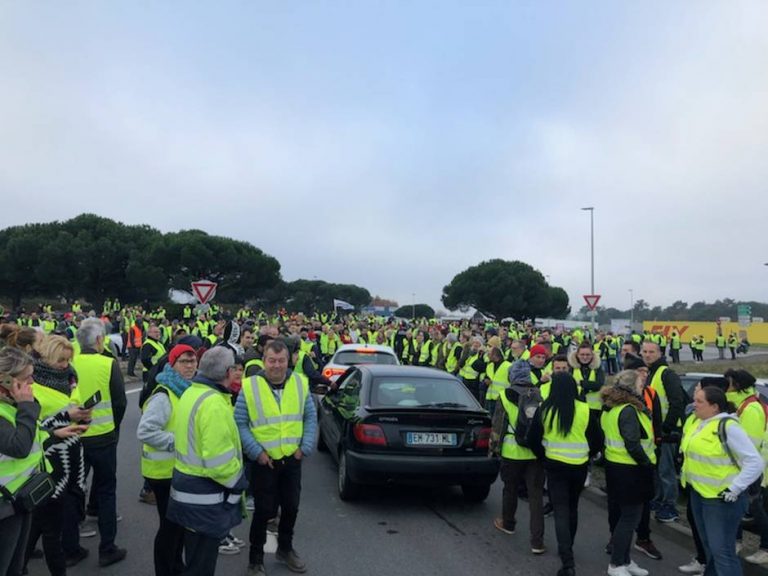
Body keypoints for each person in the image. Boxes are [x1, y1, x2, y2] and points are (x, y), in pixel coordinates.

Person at [236, 339, 317, 576]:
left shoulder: (301, 383)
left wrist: (305, 448)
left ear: (289, 361)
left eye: (281, 361)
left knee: (291, 507)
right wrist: (256, 452)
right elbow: (240, 423)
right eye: (272, 360)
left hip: (293, 458)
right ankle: (255, 558)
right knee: (263, 510)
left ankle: (285, 548)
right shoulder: (249, 386)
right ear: (264, 361)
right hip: (264, 460)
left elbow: (310, 417)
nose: (277, 366)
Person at [166, 347, 247, 576]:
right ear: (229, 371)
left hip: (187, 491)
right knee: (201, 566)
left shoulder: (192, 392)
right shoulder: (214, 404)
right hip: (205, 499)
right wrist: (240, 481)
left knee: (193, 560)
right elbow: (219, 464)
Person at [25, 336, 90, 575]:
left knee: (41, 523)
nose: (65, 365)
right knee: (51, 525)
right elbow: (29, 428)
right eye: (60, 360)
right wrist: (63, 422)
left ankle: (18, 564)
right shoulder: (30, 385)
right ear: (46, 356)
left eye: (68, 359)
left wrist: (84, 416)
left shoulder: (71, 377)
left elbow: (75, 407)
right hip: (48, 460)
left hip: (73, 452)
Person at [681, 386, 763, 575]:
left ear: (715, 407)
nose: (695, 404)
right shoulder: (698, 422)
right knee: (710, 546)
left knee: (722, 551)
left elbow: (754, 461)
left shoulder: (727, 427)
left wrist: (734, 489)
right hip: (699, 494)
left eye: (700, 401)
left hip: (720, 500)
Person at [70, 318, 127, 566]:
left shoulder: (69, 362)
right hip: (103, 437)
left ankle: (71, 547)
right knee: (106, 491)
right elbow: (119, 402)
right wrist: (114, 427)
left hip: (74, 435)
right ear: (99, 340)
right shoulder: (108, 363)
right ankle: (107, 548)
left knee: (74, 490)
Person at [137, 344, 197, 576]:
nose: (190, 366)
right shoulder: (164, 394)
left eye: (192, 361)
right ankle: (165, 570)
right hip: (162, 472)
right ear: (172, 364)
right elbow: (145, 431)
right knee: (170, 527)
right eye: (184, 361)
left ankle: (176, 566)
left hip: (177, 469)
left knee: (178, 526)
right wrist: (179, 440)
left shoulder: (185, 389)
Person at [528, 372, 592, 576]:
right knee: (572, 508)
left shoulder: (544, 410)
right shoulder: (584, 409)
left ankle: (567, 562)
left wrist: (544, 457)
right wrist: (588, 455)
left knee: (561, 511)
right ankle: (568, 546)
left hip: (555, 467)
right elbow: (597, 438)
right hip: (579, 466)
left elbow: (533, 439)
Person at [600, 369, 654, 576]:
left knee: (628, 516)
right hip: (630, 469)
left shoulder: (612, 407)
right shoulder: (629, 410)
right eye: (641, 384)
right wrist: (646, 462)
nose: (643, 387)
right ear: (633, 387)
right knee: (630, 518)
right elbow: (632, 443)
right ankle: (616, 564)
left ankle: (625, 559)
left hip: (617, 467)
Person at [490, 360, 545, 555]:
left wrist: (493, 448)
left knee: (510, 489)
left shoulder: (505, 395)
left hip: (512, 451)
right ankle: (537, 542)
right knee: (536, 496)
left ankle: (508, 523)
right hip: (534, 452)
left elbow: (498, 425)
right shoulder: (539, 394)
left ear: (512, 376)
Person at [724, 369, 768, 565]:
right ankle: (736, 541)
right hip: (746, 470)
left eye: (729, 384)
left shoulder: (751, 409)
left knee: (756, 511)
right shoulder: (744, 405)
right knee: (742, 509)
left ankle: (765, 548)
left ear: (738, 386)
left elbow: (749, 444)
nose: (727, 387)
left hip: (750, 471)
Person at [641, 340, 685, 523]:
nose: (648, 355)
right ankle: (659, 501)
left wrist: (666, 427)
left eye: (652, 351)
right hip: (656, 431)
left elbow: (677, 402)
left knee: (666, 471)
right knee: (658, 469)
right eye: (645, 351)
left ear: (659, 353)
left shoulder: (666, 374)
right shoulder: (652, 373)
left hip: (668, 432)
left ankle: (670, 506)